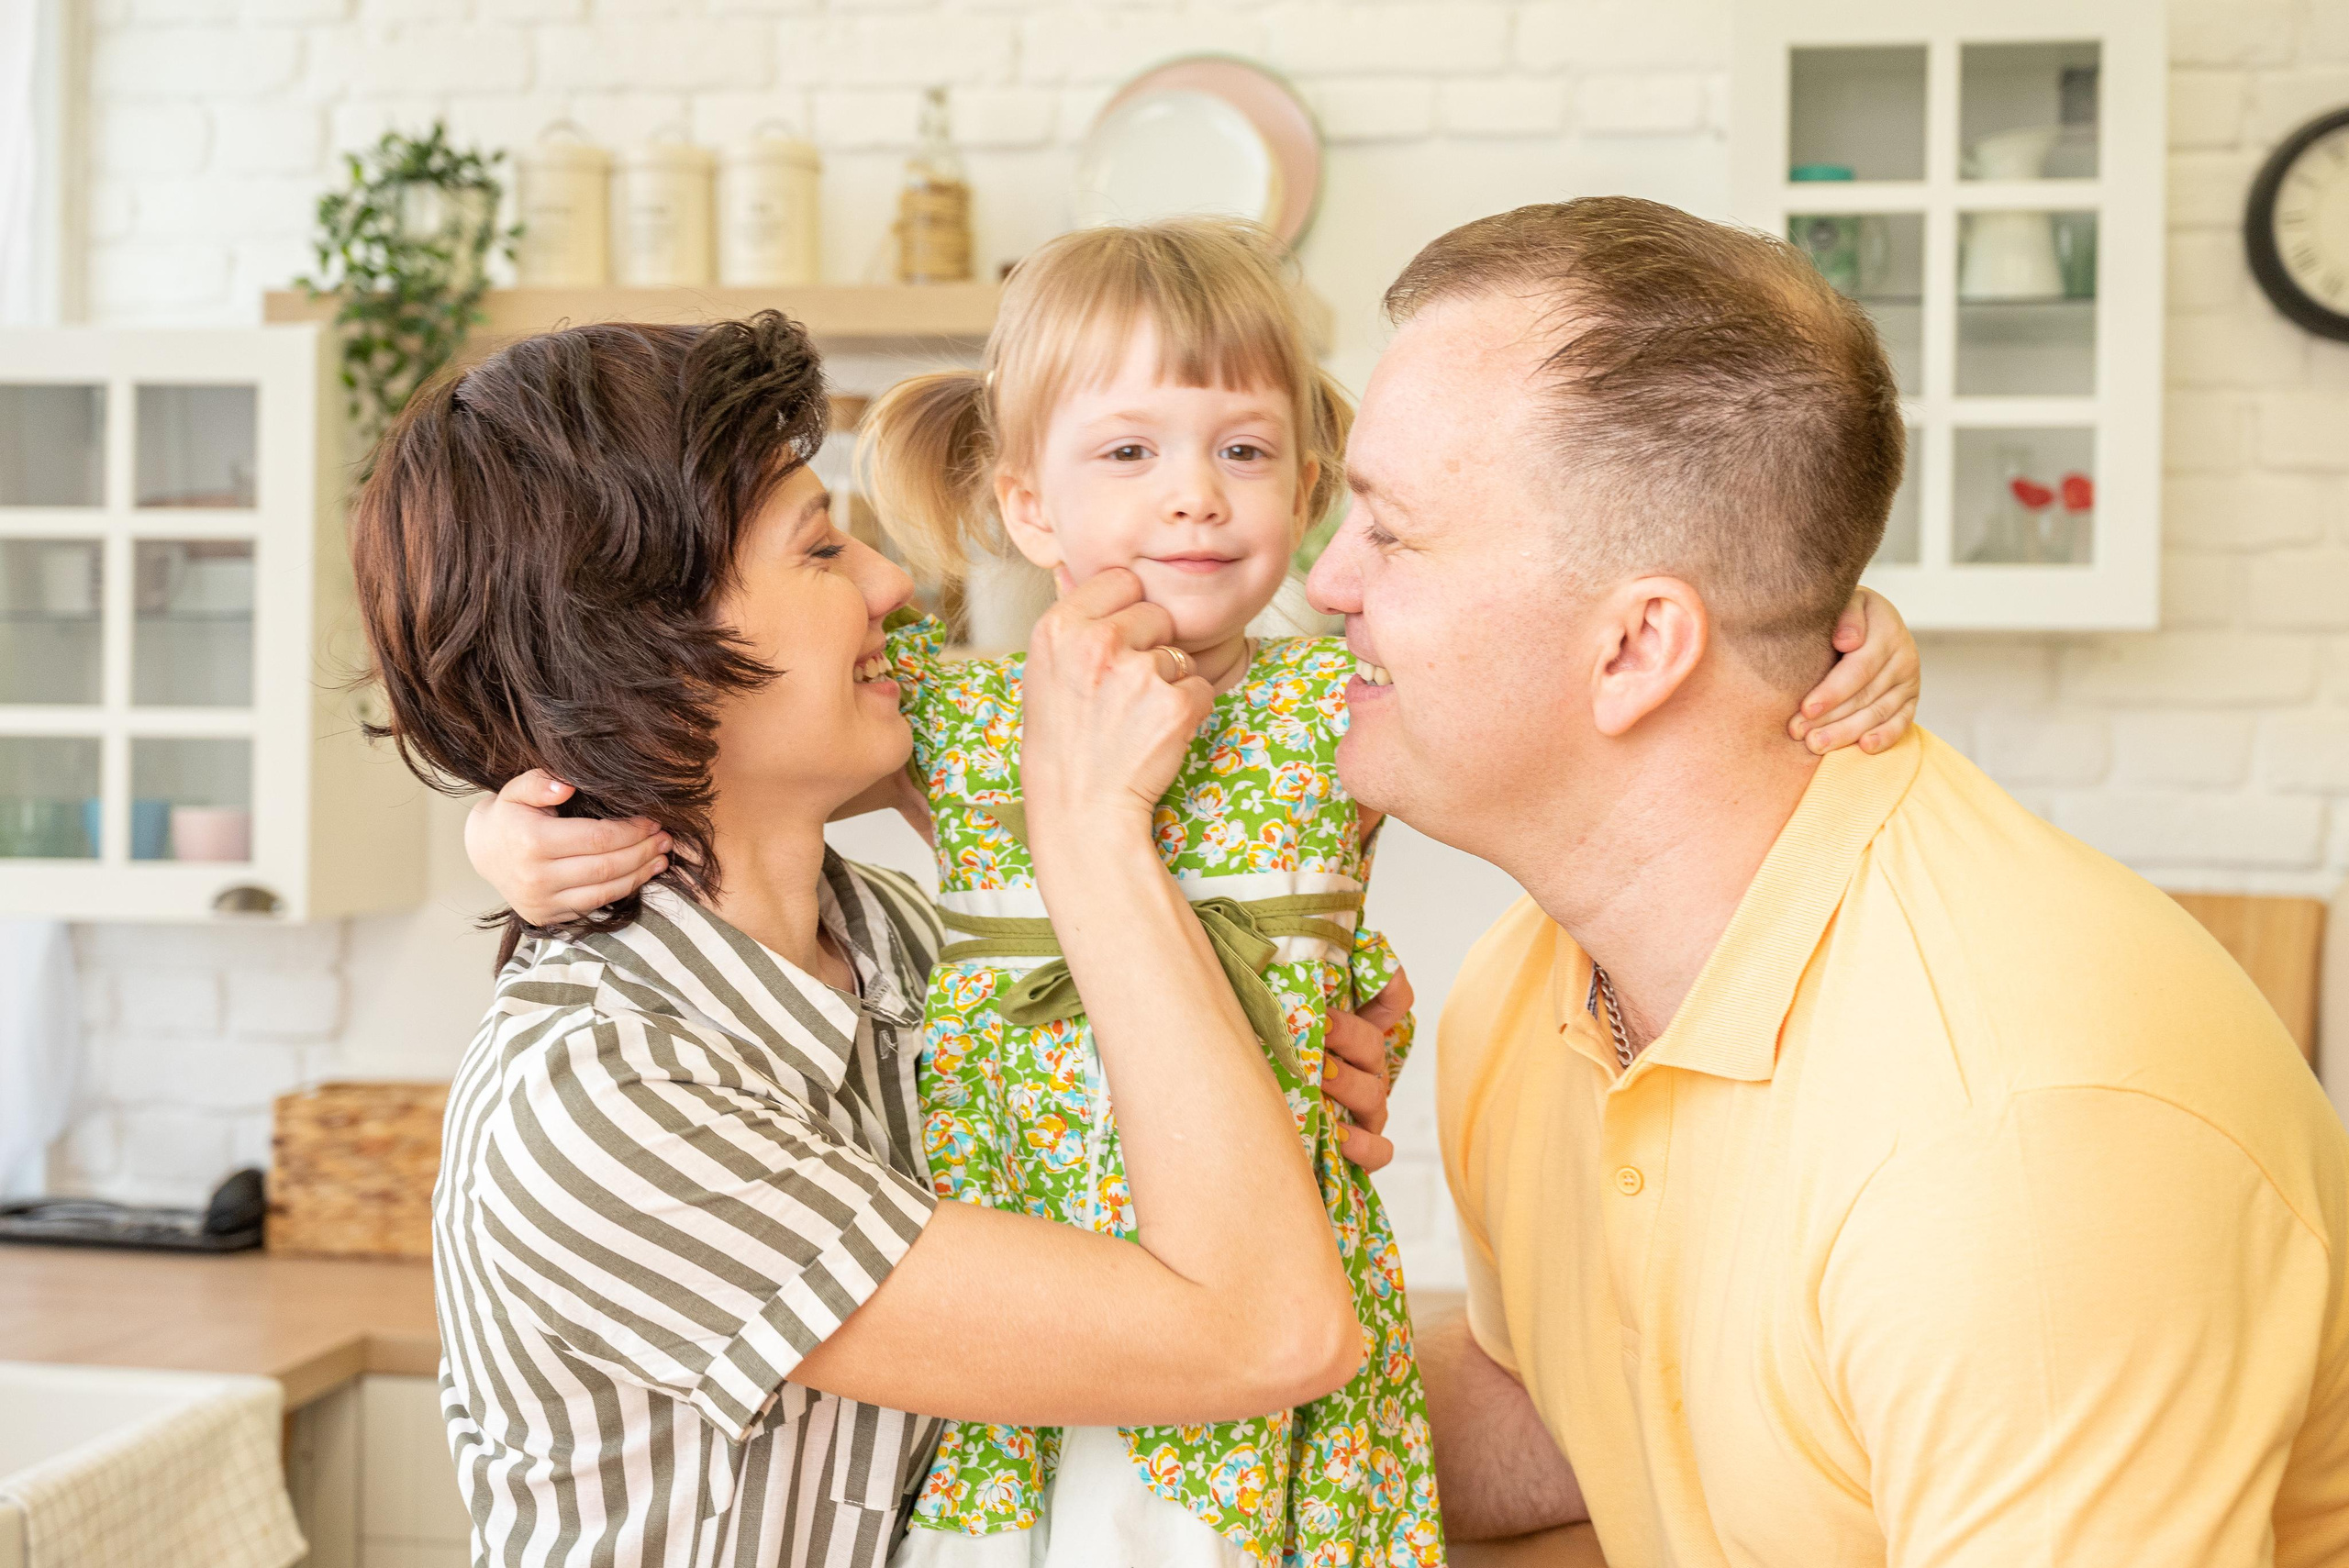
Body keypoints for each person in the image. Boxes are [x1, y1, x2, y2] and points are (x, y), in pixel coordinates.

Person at [462, 220, 1920, 1568]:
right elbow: (670, 733)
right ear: (1028, 503)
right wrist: (530, 829)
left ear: (1305, 480)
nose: (1190, 496)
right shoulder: (980, 737)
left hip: (1244, 1291)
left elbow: (1597, 673)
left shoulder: (1290, 728)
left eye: (1241, 449)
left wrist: (1828, 627)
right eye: (826, 550)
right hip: (1113, 1361)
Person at [1303, 196, 2349, 1565]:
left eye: (1390, 531)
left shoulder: (2008, 1142)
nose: (1324, 582)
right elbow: (1547, 1409)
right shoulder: (1536, 986)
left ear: (1636, 650)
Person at [350, 313, 1370, 1568]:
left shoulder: (913, 949)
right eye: (824, 548)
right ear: (650, 654)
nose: (892, 585)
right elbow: (1264, 1335)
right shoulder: (598, 1098)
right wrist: (1090, 826)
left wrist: (1285, 1057)